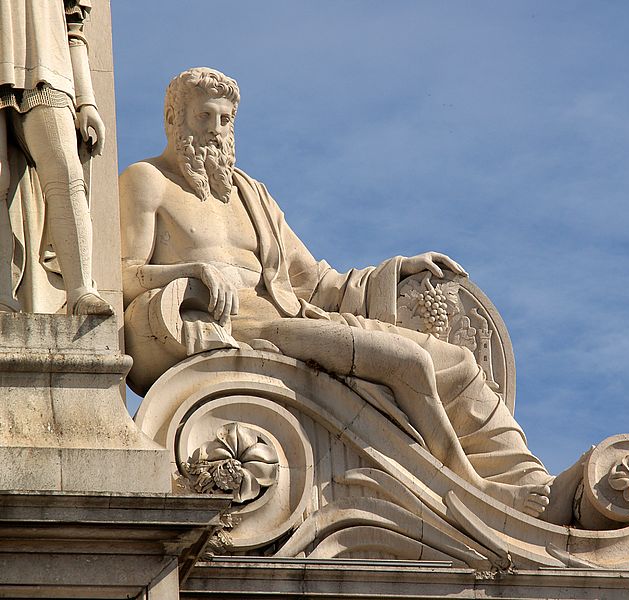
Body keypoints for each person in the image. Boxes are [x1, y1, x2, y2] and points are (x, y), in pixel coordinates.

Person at [120, 67, 584, 522]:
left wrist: (398, 271)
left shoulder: (250, 195)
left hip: (300, 319)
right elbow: (120, 276)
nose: (216, 132)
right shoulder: (147, 181)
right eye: (204, 118)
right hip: (243, 329)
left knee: (457, 363)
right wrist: (190, 271)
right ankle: (475, 491)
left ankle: (531, 483)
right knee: (408, 364)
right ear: (173, 119)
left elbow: (318, 283)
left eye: (225, 121)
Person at [0, 0, 112, 315]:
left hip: (46, 66)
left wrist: (86, 100)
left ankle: (81, 291)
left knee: (65, 173)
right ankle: (1, 298)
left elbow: (74, 26)